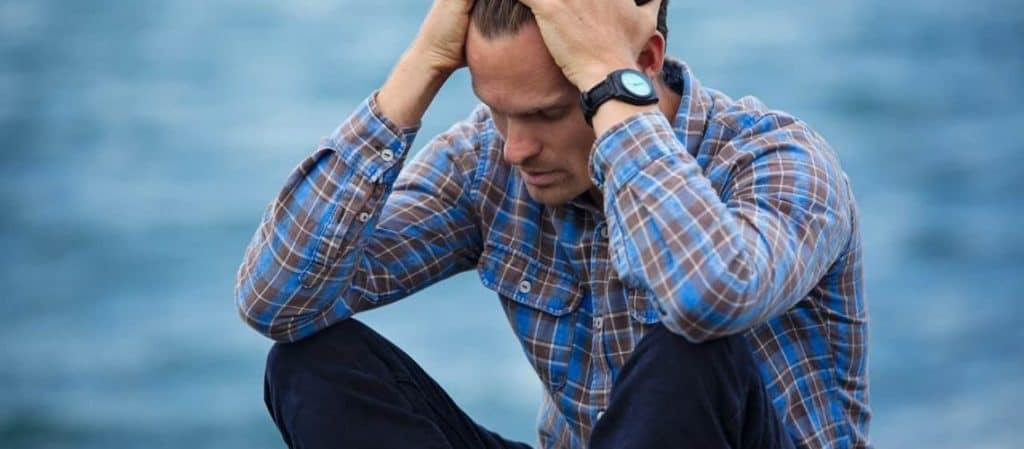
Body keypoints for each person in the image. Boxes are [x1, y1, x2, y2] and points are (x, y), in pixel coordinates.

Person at [234, 0, 870, 447]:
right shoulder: (490, 159)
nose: (515, 147)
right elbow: (277, 301)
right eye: (498, 111)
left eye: (545, 114)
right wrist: (423, 64)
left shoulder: (778, 161)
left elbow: (707, 296)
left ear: (642, 64)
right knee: (308, 365)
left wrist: (606, 82)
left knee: (691, 352)